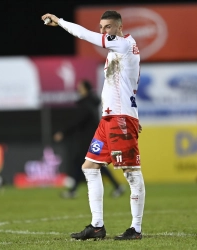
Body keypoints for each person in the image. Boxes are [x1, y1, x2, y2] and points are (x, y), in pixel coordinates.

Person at [42, 10, 145, 240]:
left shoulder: (124, 44)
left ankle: (136, 228)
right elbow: (130, 87)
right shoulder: (120, 50)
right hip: (109, 119)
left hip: (119, 119)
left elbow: (85, 35)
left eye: (107, 27)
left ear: (119, 27)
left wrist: (59, 22)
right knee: (89, 167)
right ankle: (97, 226)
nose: (102, 31)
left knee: (131, 173)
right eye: (101, 27)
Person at [53, 79, 125, 199]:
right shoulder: (90, 103)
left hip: (89, 140)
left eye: (80, 87)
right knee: (84, 163)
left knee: (91, 163)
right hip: (91, 139)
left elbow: (76, 121)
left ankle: (116, 186)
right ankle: (74, 190)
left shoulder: (86, 105)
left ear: (85, 89)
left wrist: (63, 132)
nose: (78, 89)